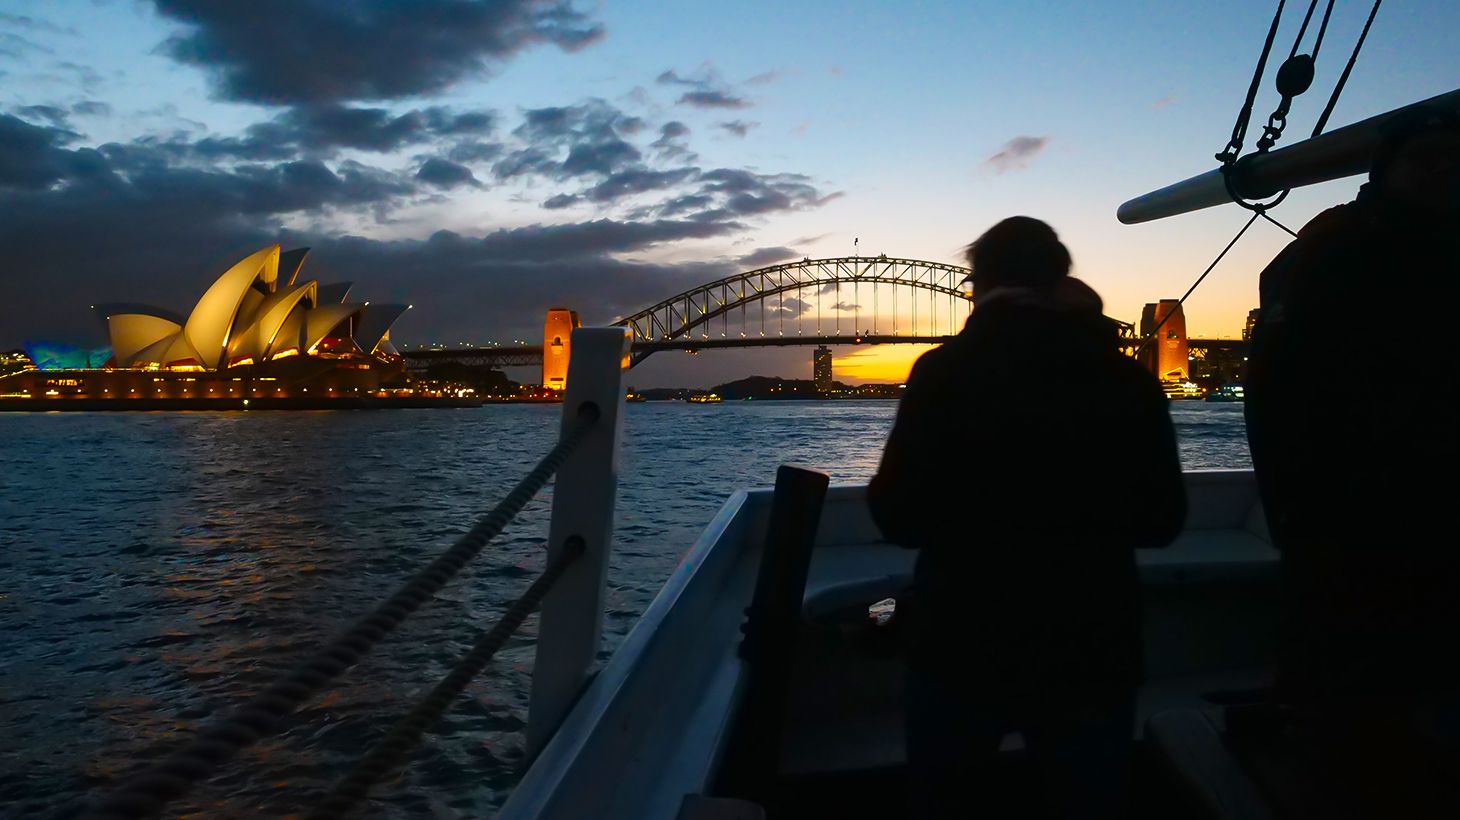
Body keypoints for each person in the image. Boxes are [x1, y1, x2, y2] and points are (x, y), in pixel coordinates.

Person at [867, 217, 1186, 819]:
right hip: (1093, 644)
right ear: (1061, 277)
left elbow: (899, 518)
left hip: (960, 640)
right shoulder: (1127, 381)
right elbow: (1163, 521)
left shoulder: (943, 372)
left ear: (978, 283)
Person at [1243, 109, 1460, 817]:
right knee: (1359, 683)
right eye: (1427, 159)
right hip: (1359, 511)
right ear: (1388, 169)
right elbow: (1290, 394)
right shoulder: (1340, 255)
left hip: (1399, 509)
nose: (1444, 172)